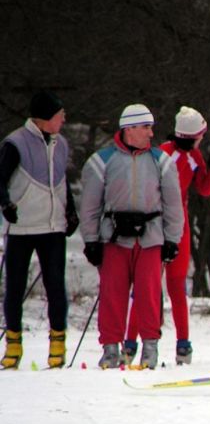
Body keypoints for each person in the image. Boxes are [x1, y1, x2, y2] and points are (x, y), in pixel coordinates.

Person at [79, 104, 184, 369]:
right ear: (130, 129)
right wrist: (91, 240)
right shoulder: (101, 161)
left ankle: (150, 348)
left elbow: (174, 204)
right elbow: (90, 205)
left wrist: (173, 239)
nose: (151, 133)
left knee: (149, 294)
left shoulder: (161, 161)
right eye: (146, 127)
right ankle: (110, 349)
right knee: (112, 294)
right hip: (114, 238)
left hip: (150, 237)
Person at [123, 106, 210, 365]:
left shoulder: (194, 155)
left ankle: (183, 344)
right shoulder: (163, 154)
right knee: (146, 286)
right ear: (193, 136)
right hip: (156, 226)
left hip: (181, 227)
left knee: (177, 286)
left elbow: (204, 189)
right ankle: (130, 343)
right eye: (201, 135)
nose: (202, 139)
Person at [0, 91, 79, 369]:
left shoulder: (61, 143)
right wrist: (6, 204)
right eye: (60, 115)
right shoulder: (16, 143)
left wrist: (70, 211)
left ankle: (57, 344)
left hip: (53, 226)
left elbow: (61, 181)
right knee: (15, 287)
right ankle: (13, 344)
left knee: (55, 285)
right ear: (46, 117)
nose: (64, 119)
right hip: (22, 227)